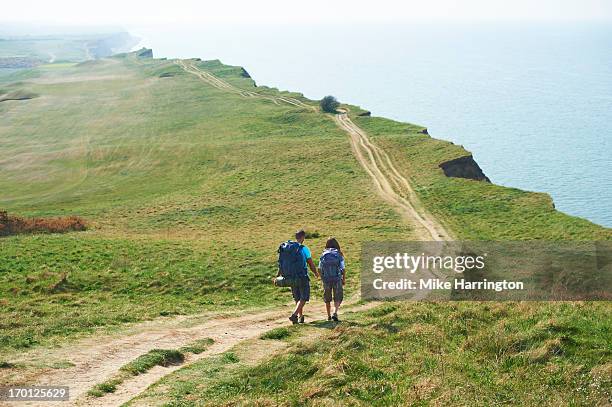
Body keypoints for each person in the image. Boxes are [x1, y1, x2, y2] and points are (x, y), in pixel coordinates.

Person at [285, 229, 319, 324]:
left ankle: (300, 317)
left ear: (296, 237)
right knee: (304, 297)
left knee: (297, 297)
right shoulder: (304, 249)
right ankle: (294, 315)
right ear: (303, 237)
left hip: (292, 276)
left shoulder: (289, 248)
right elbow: (310, 263)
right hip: (302, 275)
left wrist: (279, 275)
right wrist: (316, 273)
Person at [318, 237, 345, 322]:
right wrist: (343, 279)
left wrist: (322, 278)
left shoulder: (323, 254)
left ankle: (328, 316)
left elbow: (319, 268)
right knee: (337, 297)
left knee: (327, 297)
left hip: (326, 279)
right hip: (337, 279)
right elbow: (343, 269)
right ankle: (335, 312)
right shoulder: (339, 254)